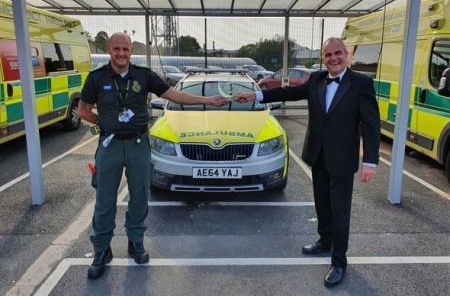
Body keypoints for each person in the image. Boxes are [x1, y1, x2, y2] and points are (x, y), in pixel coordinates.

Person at [78, 32, 228, 279]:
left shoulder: (144, 75)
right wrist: (104, 124)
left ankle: (135, 241)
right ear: (108, 49)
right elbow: (83, 111)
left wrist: (208, 100)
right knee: (105, 200)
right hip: (110, 145)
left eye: (125, 49)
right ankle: (102, 249)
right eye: (116, 49)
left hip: (138, 143)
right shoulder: (97, 78)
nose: (121, 53)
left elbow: (174, 94)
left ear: (131, 51)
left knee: (139, 196)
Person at [234, 37, 380, 287]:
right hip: (318, 154)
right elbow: (288, 92)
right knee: (322, 204)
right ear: (323, 58)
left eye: (338, 53)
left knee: (340, 211)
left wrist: (370, 162)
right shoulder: (316, 80)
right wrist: (257, 95)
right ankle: (324, 241)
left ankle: (339, 262)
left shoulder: (362, 84)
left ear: (347, 55)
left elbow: (371, 124)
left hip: (343, 159)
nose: (333, 58)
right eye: (328, 55)